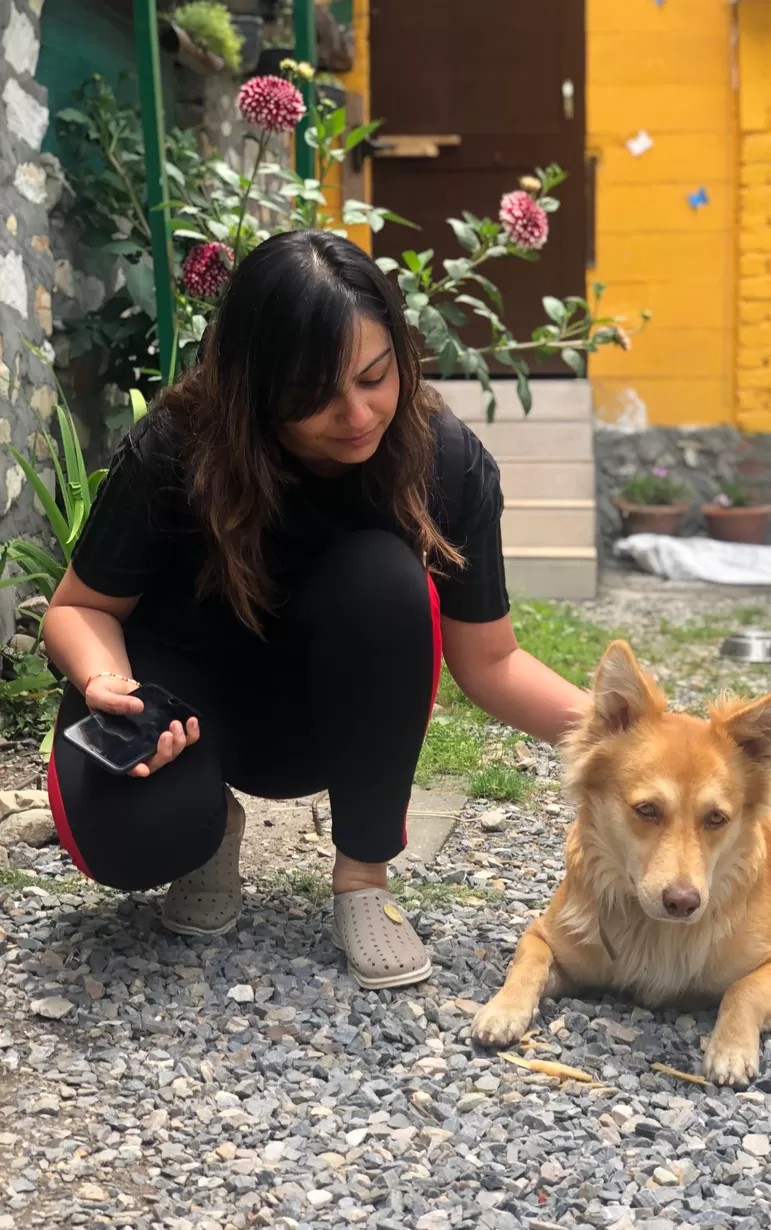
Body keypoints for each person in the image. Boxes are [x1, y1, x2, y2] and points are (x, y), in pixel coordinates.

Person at [44, 229, 590, 991]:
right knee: (133, 842)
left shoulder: (445, 461)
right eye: (314, 393)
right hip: (184, 711)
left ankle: (364, 879)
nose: (357, 413)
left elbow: (491, 661)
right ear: (253, 383)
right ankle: (209, 831)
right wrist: (111, 687)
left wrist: (647, 736)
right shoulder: (177, 447)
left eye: (375, 375)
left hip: (322, 718)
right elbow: (78, 609)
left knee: (385, 577)